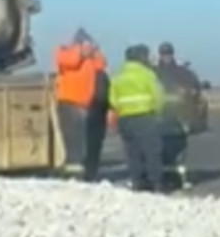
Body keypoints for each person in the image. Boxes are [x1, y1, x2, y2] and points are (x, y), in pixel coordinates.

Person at [54, 28, 109, 181]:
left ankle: (86, 173)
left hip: (85, 105)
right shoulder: (64, 52)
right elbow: (68, 60)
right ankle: (73, 174)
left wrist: (95, 51)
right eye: (85, 43)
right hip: (69, 103)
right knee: (73, 141)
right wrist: (81, 51)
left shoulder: (91, 60)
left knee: (86, 141)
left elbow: (102, 64)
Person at [109, 44, 165, 191]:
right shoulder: (147, 74)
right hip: (145, 117)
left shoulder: (118, 76)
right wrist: (157, 112)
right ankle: (156, 183)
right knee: (151, 151)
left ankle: (137, 182)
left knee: (132, 152)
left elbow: (113, 100)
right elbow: (158, 95)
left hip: (125, 119)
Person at [153, 42, 195, 190]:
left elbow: (194, 92)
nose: (166, 56)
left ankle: (176, 178)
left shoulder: (180, 73)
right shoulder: (155, 72)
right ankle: (165, 178)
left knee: (177, 151)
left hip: (176, 118)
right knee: (162, 150)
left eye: (168, 53)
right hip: (162, 118)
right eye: (164, 54)